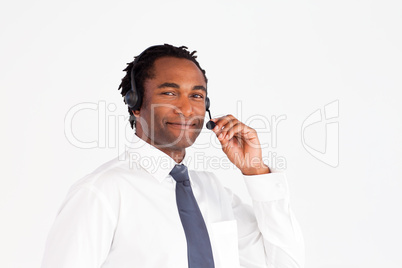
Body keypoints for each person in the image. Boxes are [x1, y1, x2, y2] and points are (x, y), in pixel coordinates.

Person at [41, 44, 305, 268]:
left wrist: (255, 170)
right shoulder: (102, 192)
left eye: (197, 96)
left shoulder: (213, 191)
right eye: (169, 93)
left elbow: (284, 262)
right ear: (135, 104)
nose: (187, 109)